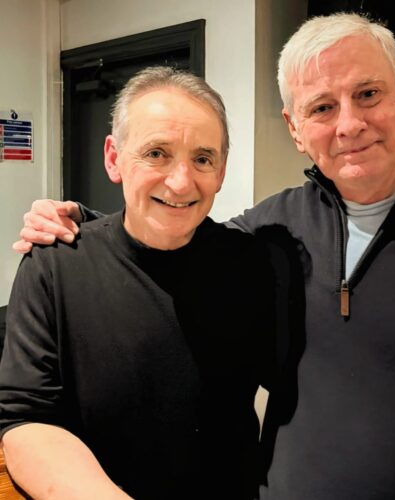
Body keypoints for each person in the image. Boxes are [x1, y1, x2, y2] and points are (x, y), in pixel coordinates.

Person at [10, 12, 395, 500]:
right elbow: (165, 246)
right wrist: (83, 229)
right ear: (295, 127)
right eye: (323, 107)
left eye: (368, 93)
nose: (350, 124)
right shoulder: (273, 230)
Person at [0, 66, 284, 500]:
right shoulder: (54, 264)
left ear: (221, 171)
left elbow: (300, 386)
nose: (181, 182)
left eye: (202, 159)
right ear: (114, 158)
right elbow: (26, 420)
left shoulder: (253, 265)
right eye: (156, 153)